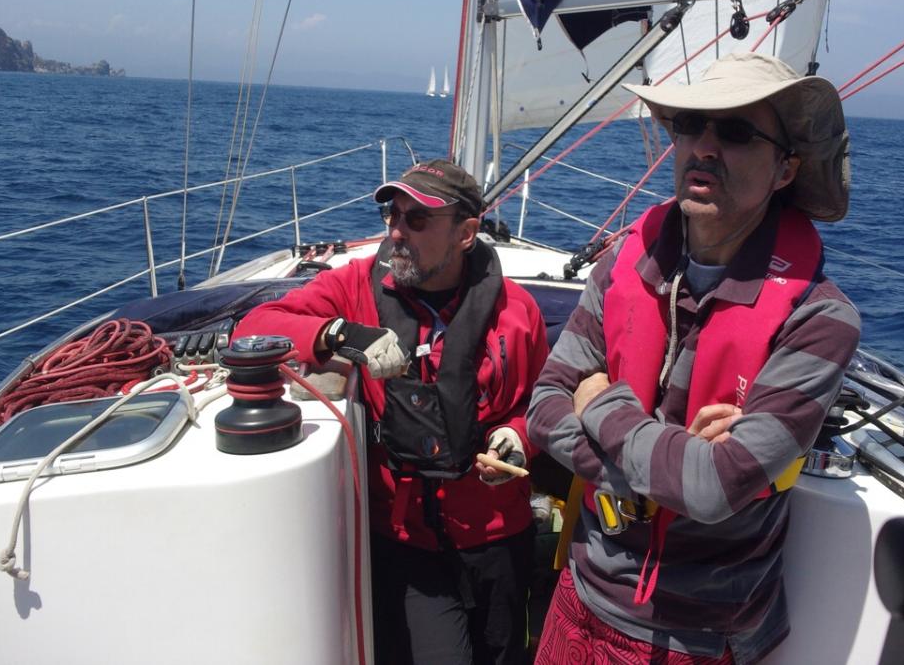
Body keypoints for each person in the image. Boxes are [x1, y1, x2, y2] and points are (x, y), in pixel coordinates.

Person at [526, 52, 861, 665]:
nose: (704, 146)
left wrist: (598, 403)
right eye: (688, 126)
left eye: (735, 132)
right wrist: (670, 469)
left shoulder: (820, 321)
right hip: (579, 592)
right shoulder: (621, 266)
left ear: (785, 170)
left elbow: (712, 488)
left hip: (695, 637)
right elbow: (544, 406)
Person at [234, 159, 548, 665]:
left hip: (498, 532)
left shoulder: (518, 311)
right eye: (392, 215)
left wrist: (516, 437)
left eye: (417, 219)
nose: (397, 231)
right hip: (406, 540)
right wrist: (338, 334)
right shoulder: (356, 286)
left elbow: (540, 403)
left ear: (466, 233)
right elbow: (255, 326)